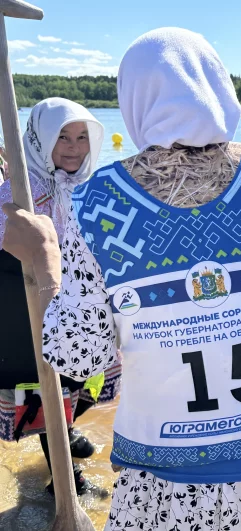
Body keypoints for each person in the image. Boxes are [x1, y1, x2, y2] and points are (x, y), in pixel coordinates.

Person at [2, 28, 241, 530]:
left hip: (170, 477)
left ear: (132, 102)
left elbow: (79, 355)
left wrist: (44, 257)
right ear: (219, 88)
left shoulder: (99, 204)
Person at [0, 97, 121, 495]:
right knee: (48, 385)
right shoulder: (19, 188)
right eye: (62, 137)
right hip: (31, 305)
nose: (73, 146)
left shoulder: (90, 185)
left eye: (82, 136)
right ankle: (67, 481)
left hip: (82, 302)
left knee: (90, 380)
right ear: (39, 141)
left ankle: (65, 433)